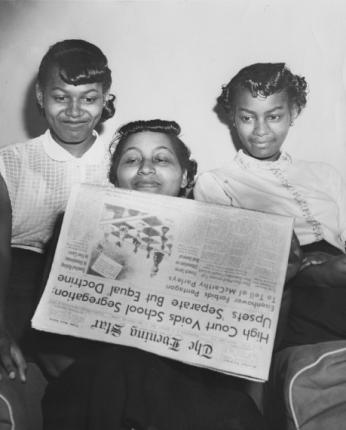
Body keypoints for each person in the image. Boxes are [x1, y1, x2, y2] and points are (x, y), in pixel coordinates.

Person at [42, 119, 266, 430]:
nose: (146, 168)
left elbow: (243, 358)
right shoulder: (77, 224)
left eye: (161, 159)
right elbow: (53, 354)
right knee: (125, 363)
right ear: (114, 176)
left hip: (191, 392)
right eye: (132, 160)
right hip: (101, 386)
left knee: (232, 407)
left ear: (185, 175)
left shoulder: (221, 237)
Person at [194, 62, 346, 347]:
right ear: (233, 117)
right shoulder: (217, 182)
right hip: (285, 291)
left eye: (274, 116)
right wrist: (311, 271)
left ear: (293, 113)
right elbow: (239, 266)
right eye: (248, 118)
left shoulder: (325, 174)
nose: (260, 130)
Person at [0, 38, 116, 383]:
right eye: (60, 97)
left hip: (98, 285)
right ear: (40, 96)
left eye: (89, 99)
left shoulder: (122, 160)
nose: (75, 111)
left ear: (105, 99)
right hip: (20, 285)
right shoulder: (10, 162)